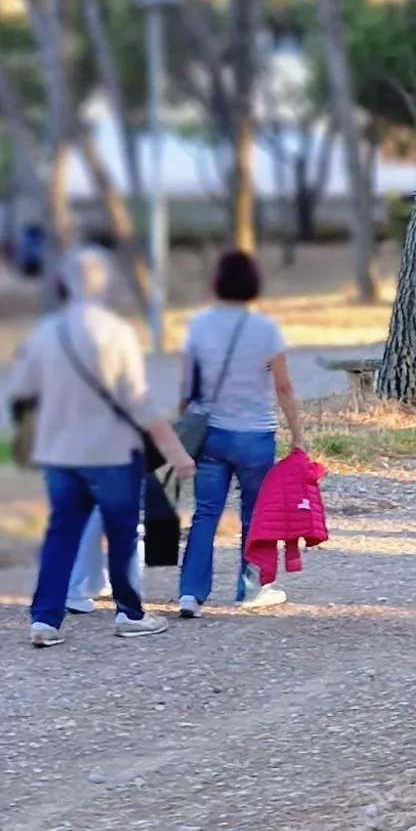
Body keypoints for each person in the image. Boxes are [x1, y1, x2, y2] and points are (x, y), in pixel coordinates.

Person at [0, 246, 188, 645]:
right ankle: (129, 614)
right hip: (111, 452)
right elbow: (138, 401)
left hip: (59, 452)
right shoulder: (116, 333)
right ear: (105, 286)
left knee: (61, 533)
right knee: (122, 534)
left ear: (64, 284)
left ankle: (44, 621)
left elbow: (20, 392)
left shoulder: (45, 332)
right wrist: (173, 449)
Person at [174, 248, 304, 616]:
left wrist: (183, 428)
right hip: (255, 437)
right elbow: (284, 388)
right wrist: (298, 435)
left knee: (205, 514)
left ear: (216, 283)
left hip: (212, 434)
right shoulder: (266, 330)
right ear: (253, 284)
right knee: (255, 514)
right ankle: (250, 588)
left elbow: (186, 387)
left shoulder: (199, 326)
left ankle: (190, 593)